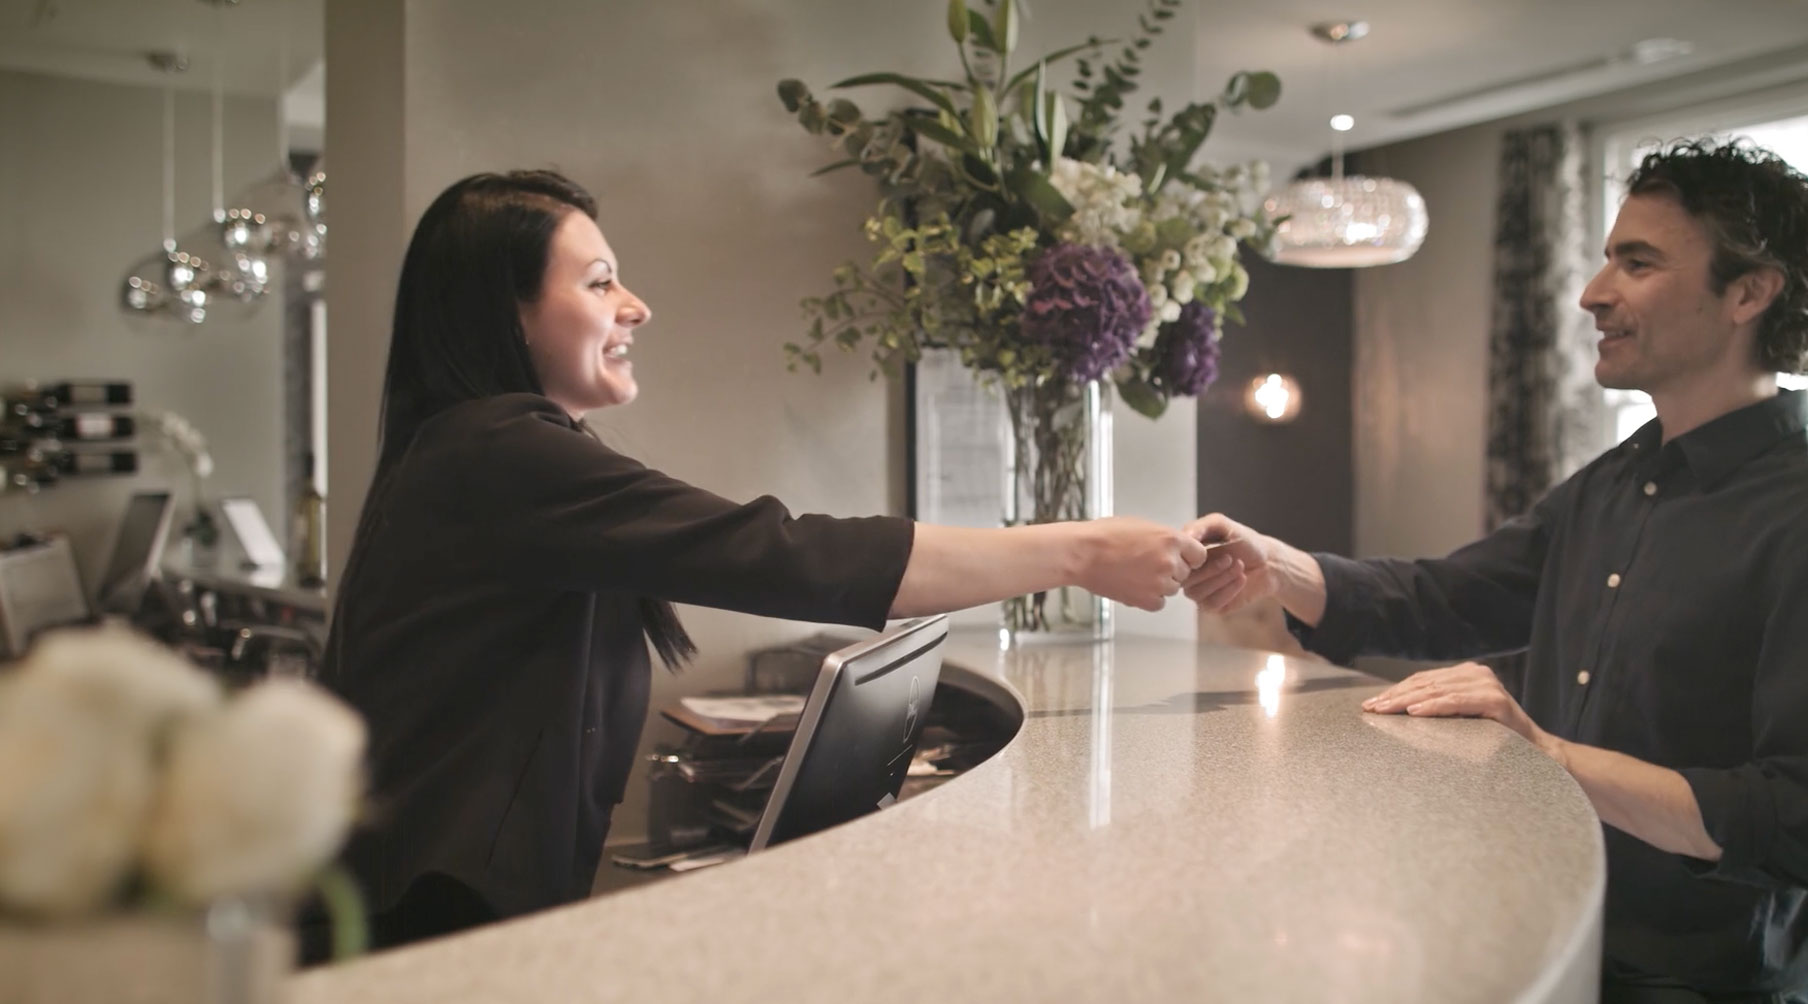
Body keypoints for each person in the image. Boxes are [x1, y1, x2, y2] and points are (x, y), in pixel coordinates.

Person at [315, 170, 1208, 954]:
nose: (636, 304)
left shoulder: (481, 450)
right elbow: (786, 554)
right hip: (430, 919)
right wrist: (1083, 549)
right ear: (504, 315)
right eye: (598, 282)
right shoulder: (499, 452)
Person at [1186, 139, 1808, 1002]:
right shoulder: (1616, 480)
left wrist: (1546, 751)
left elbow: (1790, 819)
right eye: (1604, 260)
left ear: (1749, 291)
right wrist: (1277, 566)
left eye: (1638, 262)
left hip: (1694, 977)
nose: (1593, 294)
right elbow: (1453, 598)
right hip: (1550, 915)